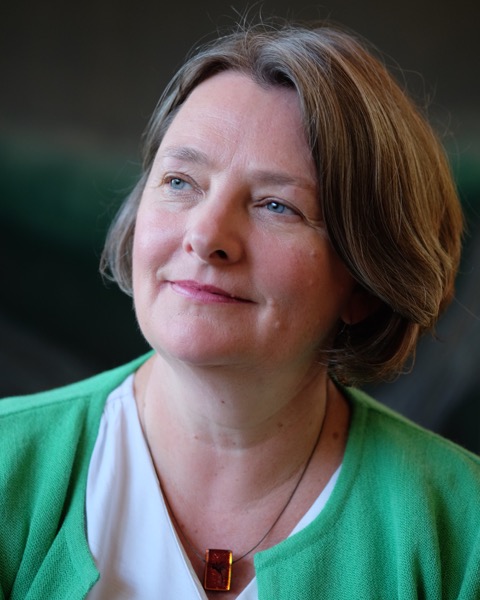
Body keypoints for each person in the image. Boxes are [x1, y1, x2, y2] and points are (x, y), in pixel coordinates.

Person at [1, 19, 479, 600]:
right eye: (180, 180)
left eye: (277, 205)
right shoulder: (10, 467)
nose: (205, 236)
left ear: (364, 282)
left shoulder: (462, 530)